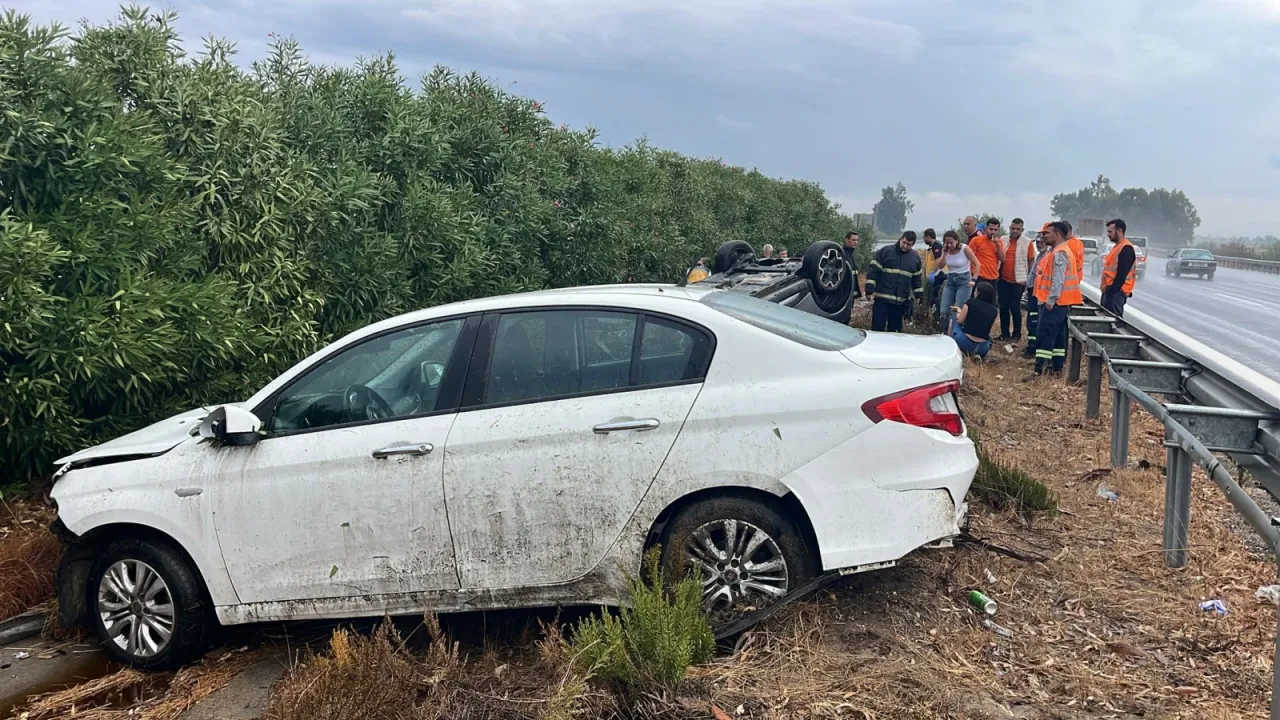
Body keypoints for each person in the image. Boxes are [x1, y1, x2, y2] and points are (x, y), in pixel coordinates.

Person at [1030, 221, 1083, 377]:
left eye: (1047, 233)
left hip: (1055, 303)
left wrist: (1051, 300)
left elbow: (1057, 280)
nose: (1044, 236)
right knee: (1058, 336)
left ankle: (1040, 369)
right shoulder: (1057, 251)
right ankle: (1056, 368)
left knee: (1045, 334)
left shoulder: (1060, 253)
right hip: (1061, 302)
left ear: (1058, 234)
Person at [866, 231, 923, 332]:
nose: (905, 246)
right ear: (900, 239)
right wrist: (869, 290)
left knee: (894, 331)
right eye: (904, 242)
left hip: (900, 302)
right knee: (877, 329)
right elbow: (873, 271)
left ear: (913, 244)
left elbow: (917, 279)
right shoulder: (885, 252)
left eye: (908, 244)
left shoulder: (915, 258)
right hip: (882, 300)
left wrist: (919, 296)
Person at [996, 218, 1035, 341]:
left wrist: (1029, 279)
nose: (1015, 231)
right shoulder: (1003, 240)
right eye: (1013, 228)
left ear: (1022, 230)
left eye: (1017, 229)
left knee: (1015, 308)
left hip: (1019, 281)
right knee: (1003, 308)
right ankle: (1004, 334)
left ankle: (1016, 334)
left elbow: (1031, 261)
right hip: (1003, 279)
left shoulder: (1027, 242)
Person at [937, 230, 982, 322]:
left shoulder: (964, 249)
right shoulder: (945, 250)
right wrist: (944, 254)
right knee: (944, 310)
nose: (949, 245)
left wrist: (974, 279)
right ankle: (944, 331)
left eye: (951, 243)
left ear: (957, 241)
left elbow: (977, 264)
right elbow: (940, 266)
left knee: (957, 309)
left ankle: (955, 330)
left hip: (964, 280)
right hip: (950, 280)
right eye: (946, 243)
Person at [949, 281, 997, 359]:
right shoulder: (994, 310)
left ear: (979, 293)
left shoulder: (970, 302)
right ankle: (976, 355)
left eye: (975, 291)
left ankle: (951, 347)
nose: (974, 293)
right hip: (983, 347)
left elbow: (960, 320)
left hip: (964, 341)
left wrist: (958, 311)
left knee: (954, 318)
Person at [1023, 228, 1051, 359]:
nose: (1039, 244)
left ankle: (1033, 347)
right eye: (1037, 242)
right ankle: (1032, 344)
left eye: (1041, 242)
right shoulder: (1040, 255)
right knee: (1031, 320)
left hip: (1037, 293)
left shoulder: (1047, 256)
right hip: (1033, 291)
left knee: (1034, 321)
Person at [1101, 218, 1136, 316]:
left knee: (1114, 320)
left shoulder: (1126, 249)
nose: (1108, 234)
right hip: (1111, 291)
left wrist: (1112, 291)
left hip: (1117, 292)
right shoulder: (1117, 246)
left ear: (1119, 231)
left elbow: (1122, 274)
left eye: (1110, 231)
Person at [969, 217, 1003, 290]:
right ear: (986, 228)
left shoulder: (999, 242)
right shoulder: (976, 240)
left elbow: (1002, 259)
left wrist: (998, 246)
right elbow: (969, 259)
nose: (993, 232)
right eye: (991, 229)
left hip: (993, 277)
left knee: (991, 300)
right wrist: (970, 276)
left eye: (995, 230)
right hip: (979, 276)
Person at [842, 231, 865, 305]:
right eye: (853, 240)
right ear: (846, 240)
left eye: (857, 240)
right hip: (843, 293)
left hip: (851, 294)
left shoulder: (852, 255)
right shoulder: (842, 254)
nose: (856, 242)